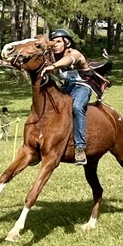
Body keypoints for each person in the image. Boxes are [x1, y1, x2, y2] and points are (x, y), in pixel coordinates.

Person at [41, 28, 93, 164]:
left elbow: (69, 60)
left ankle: (80, 147)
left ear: (67, 42)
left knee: (76, 107)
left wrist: (53, 67)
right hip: (67, 87)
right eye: (53, 42)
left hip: (83, 87)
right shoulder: (54, 57)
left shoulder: (74, 53)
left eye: (58, 41)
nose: (55, 45)